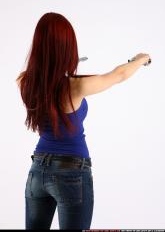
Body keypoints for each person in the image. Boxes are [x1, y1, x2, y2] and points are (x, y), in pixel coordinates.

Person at [16, 12, 151, 230]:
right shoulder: (77, 87)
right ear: (67, 48)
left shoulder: (24, 81)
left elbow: (49, 84)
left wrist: (61, 70)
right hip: (71, 174)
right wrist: (140, 59)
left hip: (37, 171)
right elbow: (119, 75)